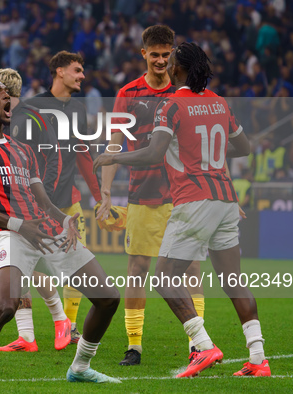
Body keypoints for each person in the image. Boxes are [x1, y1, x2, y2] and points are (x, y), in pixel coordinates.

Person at [93, 42, 270, 378]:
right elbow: (244, 147)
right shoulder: (218, 102)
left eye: (171, 61)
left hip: (193, 200)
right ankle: (258, 358)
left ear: (177, 69)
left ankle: (203, 346)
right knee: (233, 280)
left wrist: (114, 156)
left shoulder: (173, 105)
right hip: (226, 200)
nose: (167, 65)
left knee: (163, 277)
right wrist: (209, 154)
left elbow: (153, 153)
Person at [0, 80, 121, 384]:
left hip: (46, 231)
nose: (6, 96)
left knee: (108, 297)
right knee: (6, 305)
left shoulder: (23, 150)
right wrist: (19, 225)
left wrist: (63, 219)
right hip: (9, 232)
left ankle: (80, 368)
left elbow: (41, 199)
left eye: (7, 93)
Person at [96, 25, 204, 366]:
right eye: (154, 54)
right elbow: (114, 143)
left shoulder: (186, 94)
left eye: (165, 53)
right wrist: (105, 191)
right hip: (142, 194)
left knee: (191, 269)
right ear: (143, 54)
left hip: (184, 194)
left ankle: (197, 344)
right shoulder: (128, 93)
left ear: (173, 54)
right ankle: (134, 345)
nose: (160, 60)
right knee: (138, 268)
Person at [0, 68, 71, 353]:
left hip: (26, 207)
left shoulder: (32, 118)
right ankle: (27, 336)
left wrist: (41, 202)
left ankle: (61, 319)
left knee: (28, 268)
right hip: (3, 206)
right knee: (17, 270)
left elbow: (53, 160)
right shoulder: (1, 121)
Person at [23, 51, 104, 343]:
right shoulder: (32, 107)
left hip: (68, 202)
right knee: (22, 264)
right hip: (36, 204)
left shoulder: (78, 109)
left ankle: (69, 326)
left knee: (76, 265)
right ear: (60, 71)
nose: (82, 76)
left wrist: (98, 196)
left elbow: (83, 152)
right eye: (77, 70)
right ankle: (19, 331)